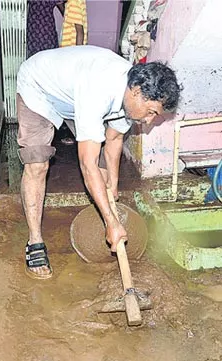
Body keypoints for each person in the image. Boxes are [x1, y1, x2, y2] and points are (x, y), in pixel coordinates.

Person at [15, 45, 180, 279]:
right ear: (136, 92)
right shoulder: (99, 89)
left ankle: (106, 219)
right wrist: (111, 220)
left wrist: (113, 184)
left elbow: (114, 138)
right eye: (151, 112)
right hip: (39, 87)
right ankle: (35, 242)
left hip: (73, 97)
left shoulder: (129, 100)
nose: (150, 121)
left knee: (103, 176)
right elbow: (87, 164)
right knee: (38, 164)